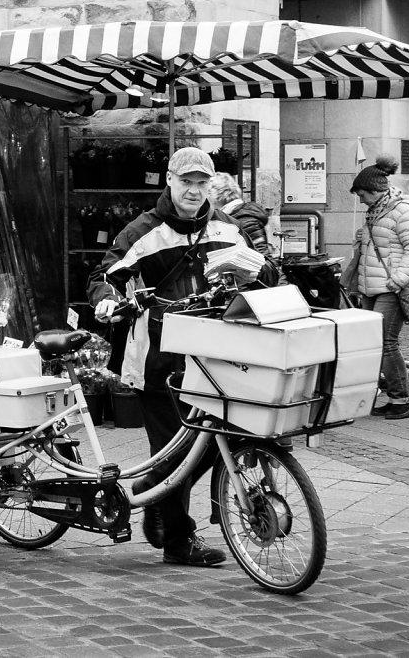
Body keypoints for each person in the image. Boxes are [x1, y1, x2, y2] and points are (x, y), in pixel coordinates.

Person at [88, 147, 271, 568]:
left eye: (201, 183)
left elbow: (264, 275)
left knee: (222, 438)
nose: (193, 190)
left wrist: (257, 273)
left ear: (212, 185)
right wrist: (107, 300)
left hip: (217, 353)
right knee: (173, 448)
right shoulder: (142, 232)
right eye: (185, 182)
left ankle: (157, 492)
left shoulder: (226, 226)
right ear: (169, 180)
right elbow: (103, 277)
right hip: (161, 356)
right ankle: (177, 540)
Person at [343, 155, 409, 420]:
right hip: (372, 287)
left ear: (375, 190)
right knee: (375, 343)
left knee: (386, 342)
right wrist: (362, 239)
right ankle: (394, 396)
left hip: (392, 287)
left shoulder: (405, 210)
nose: (360, 200)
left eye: (362, 194)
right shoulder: (375, 211)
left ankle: (403, 400)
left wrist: (398, 279)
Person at [207, 172, 272, 255]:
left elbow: (262, 258)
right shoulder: (231, 215)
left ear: (217, 195)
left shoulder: (246, 220)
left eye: (207, 193)